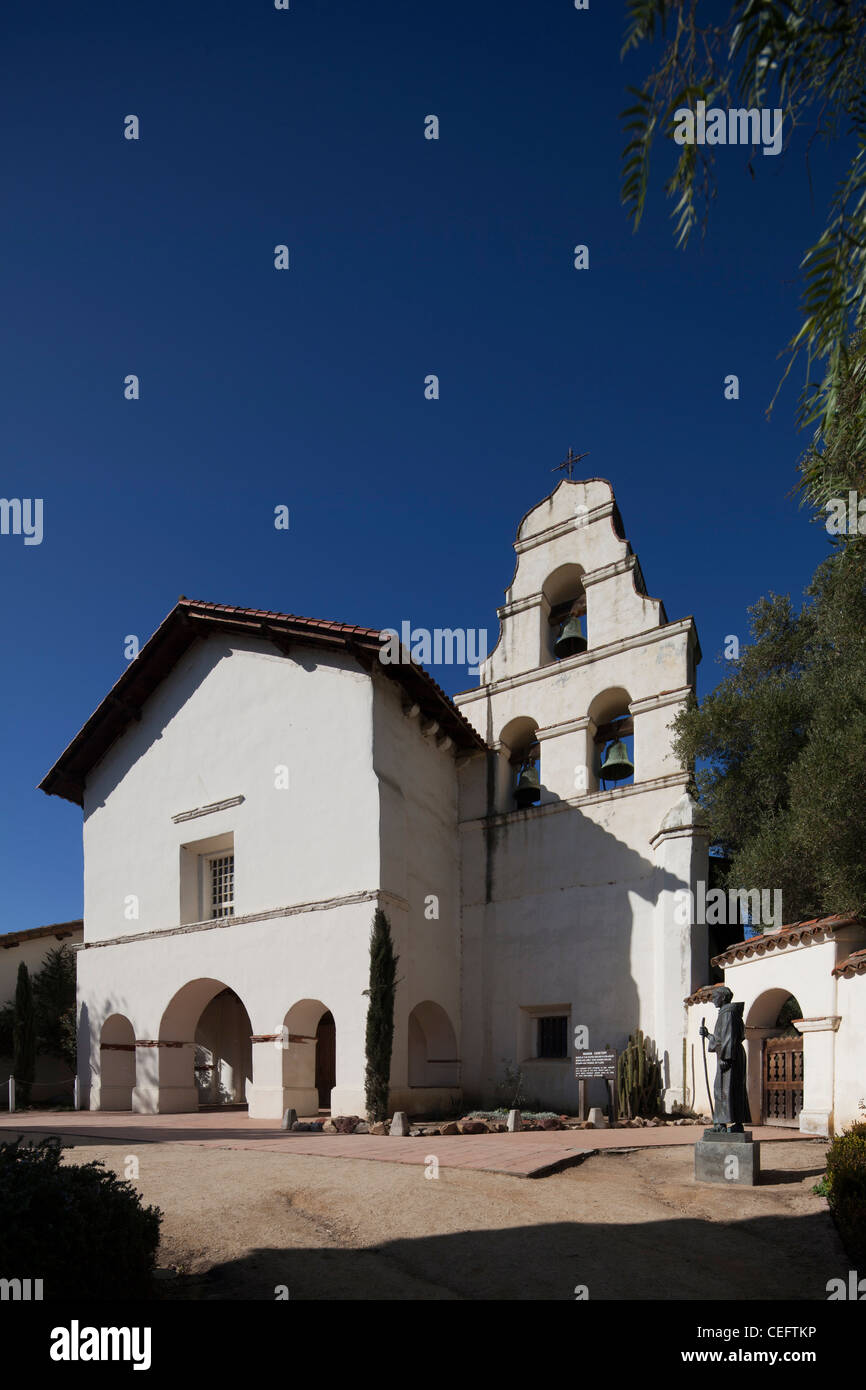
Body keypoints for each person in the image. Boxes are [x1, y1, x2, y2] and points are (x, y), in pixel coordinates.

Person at [699, 985, 747, 1131]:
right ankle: (725, 1124)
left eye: (715, 996)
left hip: (729, 1056)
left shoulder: (728, 1013)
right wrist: (708, 1035)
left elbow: (729, 1037)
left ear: (724, 997)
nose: (713, 999)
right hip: (730, 1054)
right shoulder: (727, 1013)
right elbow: (721, 1038)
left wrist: (726, 1058)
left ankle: (727, 1124)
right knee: (727, 1089)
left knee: (725, 1089)